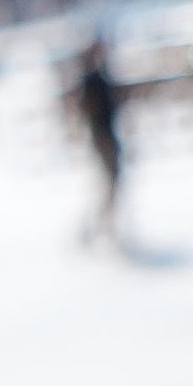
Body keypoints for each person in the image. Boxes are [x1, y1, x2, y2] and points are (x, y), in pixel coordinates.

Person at [64, 23, 137, 251]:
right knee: (109, 185)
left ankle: (101, 228)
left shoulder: (99, 76)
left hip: (106, 137)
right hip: (103, 138)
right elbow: (90, 111)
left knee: (110, 185)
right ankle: (98, 229)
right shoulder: (92, 80)